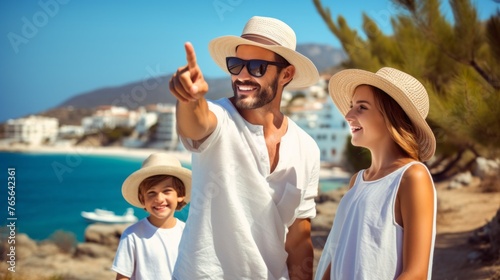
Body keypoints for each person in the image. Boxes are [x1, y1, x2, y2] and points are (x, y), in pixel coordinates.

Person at [168, 16, 320, 279]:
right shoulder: (219, 117)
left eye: (257, 66)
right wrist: (189, 100)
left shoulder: (307, 147)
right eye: (235, 65)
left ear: (286, 74)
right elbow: (196, 124)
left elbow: (298, 239)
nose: (242, 76)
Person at [315, 67, 437, 279]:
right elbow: (341, 254)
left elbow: (416, 272)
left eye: (361, 107)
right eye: (352, 106)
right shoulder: (357, 181)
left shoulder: (412, 177)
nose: (348, 115)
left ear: (392, 117)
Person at [112, 153, 191, 280]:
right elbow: (122, 277)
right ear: (142, 199)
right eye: (151, 193)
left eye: (166, 191)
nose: (159, 199)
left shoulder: (188, 233)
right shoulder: (132, 235)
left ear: (180, 195)